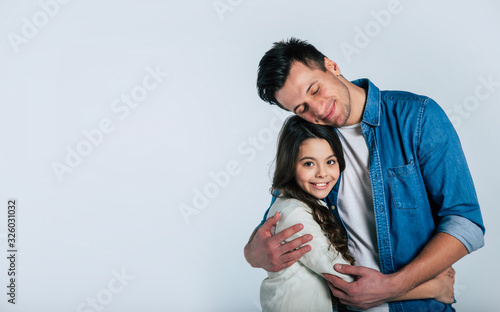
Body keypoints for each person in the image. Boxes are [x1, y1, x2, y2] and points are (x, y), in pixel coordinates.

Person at [245, 38, 485, 311]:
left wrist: (395, 285)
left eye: (315, 89)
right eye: (301, 109)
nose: (317, 110)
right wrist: (252, 254)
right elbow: (280, 217)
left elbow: (466, 221)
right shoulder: (310, 142)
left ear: (331, 66)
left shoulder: (417, 117)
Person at [260, 115, 455, 312]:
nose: (322, 173)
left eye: (330, 161)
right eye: (309, 163)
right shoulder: (293, 214)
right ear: (289, 165)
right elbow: (348, 282)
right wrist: (432, 288)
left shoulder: (311, 203)